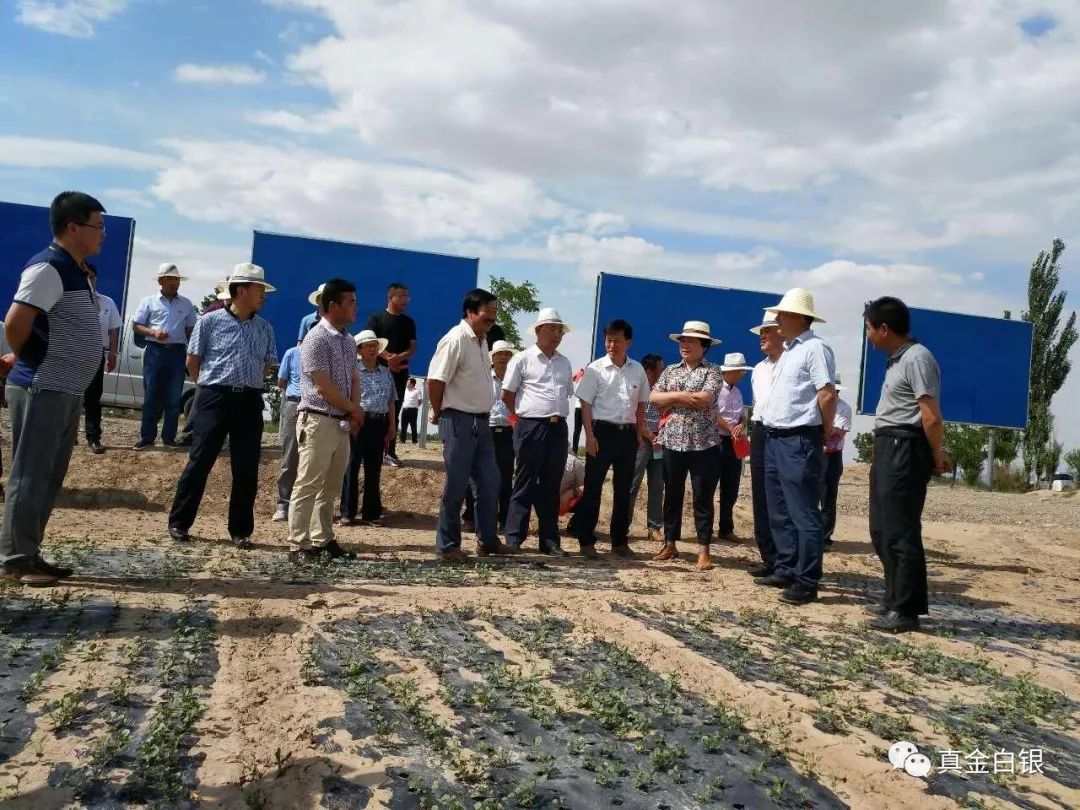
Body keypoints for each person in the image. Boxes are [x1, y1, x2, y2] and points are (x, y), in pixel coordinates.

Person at [2, 191, 106, 586]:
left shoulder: (76, 269)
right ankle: (15, 559)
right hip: (42, 386)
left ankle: (29, 552)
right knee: (29, 474)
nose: (103, 235)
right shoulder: (49, 268)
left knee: (47, 476)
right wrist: (28, 358)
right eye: (98, 226)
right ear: (73, 227)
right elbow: (16, 322)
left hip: (65, 390)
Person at [167, 264, 278, 548]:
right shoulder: (210, 321)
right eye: (259, 289)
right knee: (200, 460)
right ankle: (179, 522)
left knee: (246, 467)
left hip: (249, 401)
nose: (263, 295)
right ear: (241, 291)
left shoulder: (265, 327)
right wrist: (206, 387)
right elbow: (193, 361)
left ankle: (240, 531)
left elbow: (268, 366)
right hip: (214, 397)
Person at [864, 297, 948, 633]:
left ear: (884, 328)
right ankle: (892, 596)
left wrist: (938, 453)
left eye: (869, 329)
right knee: (881, 528)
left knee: (901, 529)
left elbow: (930, 414)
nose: (868, 336)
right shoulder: (895, 360)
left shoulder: (918, 358)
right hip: (888, 445)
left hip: (906, 446)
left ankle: (907, 610)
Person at [754, 288, 837, 606]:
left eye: (781, 314)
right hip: (776, 438)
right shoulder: (790, 350)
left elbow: (826, 393)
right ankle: (786, 568)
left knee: (803, 512)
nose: (776, 319)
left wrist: (824, 430)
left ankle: (807, 579)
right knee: (779, 510)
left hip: (799, 438)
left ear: (798, 317)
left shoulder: (815, 348)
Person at [428, 289, 514, 560]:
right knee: (456, 485)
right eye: (487, 311)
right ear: (470, 312)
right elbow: (435, 381)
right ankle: (448, 545)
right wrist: (439, 411)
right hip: (458, 420)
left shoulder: (482, 341)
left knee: (490, 482)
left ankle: (487, 541)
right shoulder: (455, 340)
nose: (492, 316)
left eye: (494, 311)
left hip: (482, 422)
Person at [287, 279, 364, 561]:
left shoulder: (347, 339)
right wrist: (354, 409)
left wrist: (353, 408)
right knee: (308, 483)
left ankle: (323, 540)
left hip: (340, 421)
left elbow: (354, 377)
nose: (356, 307)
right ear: (332, 306)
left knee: (331, 486)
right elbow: (322, 385)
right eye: (351, 302)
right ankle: (298, 544)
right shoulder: (316, 338)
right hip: (318, 419)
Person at [649, 320, 724, 571]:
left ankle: (704, 549)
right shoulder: (670, 370)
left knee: (703, 496)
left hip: (704, 444)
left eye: (690, 341)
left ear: (704, 345)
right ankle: (670, 543)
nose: (684, 345)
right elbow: (654, 398)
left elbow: (705, 399)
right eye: (682, 340)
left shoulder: (713, 371)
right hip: (672, 442)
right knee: (671, 495)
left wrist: (672, 399)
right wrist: (682, 397)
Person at [572, 320, 650, 558]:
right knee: (593, 487)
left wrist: (638, 433)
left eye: (617, 340)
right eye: (608, 339)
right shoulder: (595, 368)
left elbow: (640, 404)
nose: (612, 344)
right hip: (601, 433)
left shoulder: (637, 369)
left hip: (627, 435)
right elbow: (585, 404)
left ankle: (619, 541)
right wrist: (590, 435)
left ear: (628, 342)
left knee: (623, 489)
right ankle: (586, 540)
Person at [502, 308, 574, 556]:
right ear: (538, 330)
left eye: (560, 330)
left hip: (558, 428)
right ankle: (513, 538)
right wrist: (522, 419)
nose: (557, 334)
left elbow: (566, 394)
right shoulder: (522, 359)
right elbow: (507, 395)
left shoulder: (565, 362)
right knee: (524, 482)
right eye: (552, 329)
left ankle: (549, 540)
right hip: (530, 426)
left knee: (552, 485)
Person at [132, 263, 197, 449]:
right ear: (160, 280)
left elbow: (191, 329)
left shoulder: (186, 304)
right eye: (170, 279)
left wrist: (193, 349)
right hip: (155, 350)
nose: (175, 282)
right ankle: (147, 437)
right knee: (152, 394)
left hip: (177, 352)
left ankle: (168, 438)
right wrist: (153, 333)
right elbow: (136, 325)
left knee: (173, 396)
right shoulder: (148, 301)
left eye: (176, 279)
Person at [340, 330, 398, 526]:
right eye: (368, 345)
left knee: (374, 469)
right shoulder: (351, 370)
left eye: (375, 345)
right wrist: (350, 417)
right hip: (357, 423)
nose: (373, 349)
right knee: (351, 467)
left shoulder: (386, 372)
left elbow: (391, 400)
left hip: (379, 423)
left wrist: (392, 424)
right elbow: (345, 398)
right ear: (359, 350)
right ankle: (347, 512)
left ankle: (371, 514)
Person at [462, 339, 517, 531]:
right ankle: (470, 517)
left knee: (505, 476)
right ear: (492, 357)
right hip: (486, 429)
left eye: (507, 354)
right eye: (500, 354)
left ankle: (503, 519)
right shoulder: (483, 377)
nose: (503, 357)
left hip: (508, 433)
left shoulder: (516, 381)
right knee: (476, 475)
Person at [365, 282, 416, 467]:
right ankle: (370, 451)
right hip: (376, 374)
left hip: (400, 374)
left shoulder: (409, 322)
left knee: (395, 410)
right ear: (390, 297)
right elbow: (369, 342)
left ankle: (390, 452)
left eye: (407, 297)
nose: (405, 300)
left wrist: (399, 357)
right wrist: (387, 359)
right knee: (374, 411)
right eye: (401, 296)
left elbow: (412, 348)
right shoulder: (376, 318)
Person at [747, 314, 783, 577]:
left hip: (784, 432)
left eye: (767, 331)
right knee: (761, 495)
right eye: (761, 331)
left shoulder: (791, 365)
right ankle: (769, 558)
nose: (762, 336)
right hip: (760, 430)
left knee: (782, 499)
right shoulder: (758, 370)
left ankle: (786, 562)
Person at [714, 352, 753, 542]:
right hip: (716, 441)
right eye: (740, 372)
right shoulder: (716, 389)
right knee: (709, 486)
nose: (741, 375)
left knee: (731, 487)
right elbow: (712, 415)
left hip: (734, 443)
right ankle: (704, 530)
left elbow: (742, 415)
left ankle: (726, 528)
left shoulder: (737, 392)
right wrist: (729, 426)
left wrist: (741, 424)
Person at [83, 264, 121, 454]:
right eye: (84, 276)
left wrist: (113, 354)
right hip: (72, 353)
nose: (88, 279)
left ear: (96, 278)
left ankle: (93, 437)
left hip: (97, 353)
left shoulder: (107, 302)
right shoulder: (68, 300)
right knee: (68, 396)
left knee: (92, 397)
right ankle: (65, 435)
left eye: (91, 276)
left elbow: (113, 331)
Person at [628, 354, 665, 544]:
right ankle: (622, 526)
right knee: (632, 484)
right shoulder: (638, 388)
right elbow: (634, 417)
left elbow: (667, 415)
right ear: (650, 370)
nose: (663, 372)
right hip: (641, 443)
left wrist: (661, 436)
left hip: (659, 444)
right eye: (660, 368)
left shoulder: (663, 391)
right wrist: (650, 436)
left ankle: (654, 528)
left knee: (657, 486)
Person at [821, 374, 853, 547]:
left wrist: (821, 431)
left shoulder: (844, 408)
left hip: (832, 455)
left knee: (828, 497)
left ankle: (825, 536)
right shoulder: (816, 404)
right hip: (816, 452)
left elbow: (837, 431)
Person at [272, 340, 303, 522]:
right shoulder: (292, 353)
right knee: (290, 457)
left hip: (319, 407)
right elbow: (281, 382)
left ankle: (308, 507)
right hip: (294, 403)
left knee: (314, 461)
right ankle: (283, 505)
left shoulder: (328, 354)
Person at [399, 378, 422, 445]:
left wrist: (415, 406)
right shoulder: (405, 390)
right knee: (403, 426)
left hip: (413, 410)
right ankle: (402, 440)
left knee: (413, 426)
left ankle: (414, 441)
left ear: (412, 384)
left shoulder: (417, 391)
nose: (407, 384)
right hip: (405, 409)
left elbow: (420, 401)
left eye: (408, 382)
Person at [570, 368, 586, 455]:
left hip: (588, 409)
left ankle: (589, 451)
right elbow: (578, 393)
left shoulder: (592, 381)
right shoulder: (581, 379)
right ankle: (574, 451)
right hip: (579, 408)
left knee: (589, 431)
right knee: (577, 430)